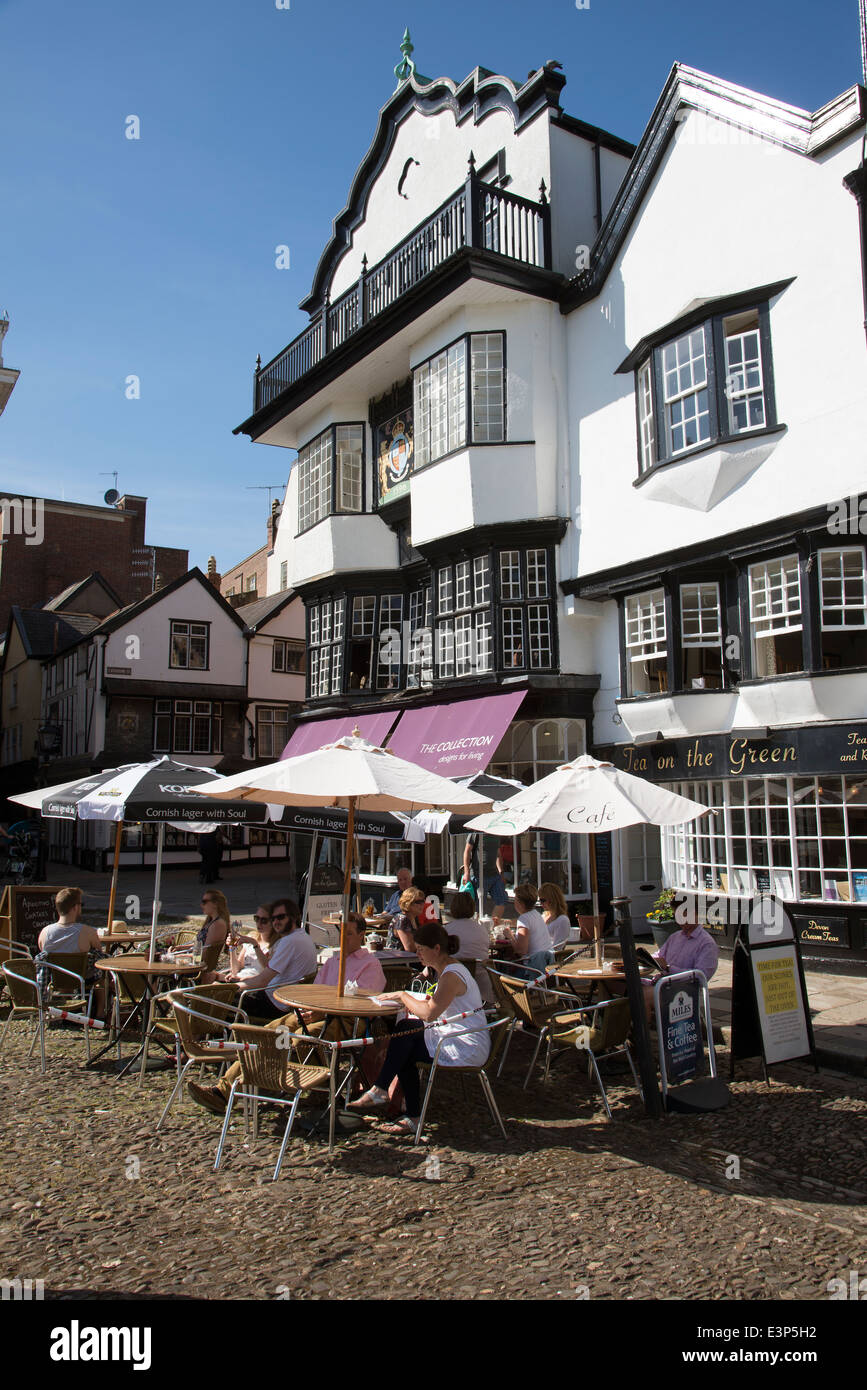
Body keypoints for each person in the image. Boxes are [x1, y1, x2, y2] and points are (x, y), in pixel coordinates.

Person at [187, 911, 384, 1114]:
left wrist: (322, 1014)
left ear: (362, 934)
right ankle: (224, 1090)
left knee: (302, 1039)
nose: (343, 938)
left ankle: (321, 1091)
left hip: (348, 1020)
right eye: (341, 933)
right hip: (314, 1013)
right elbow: (314, 990)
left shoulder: (370, 964)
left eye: (349, 934)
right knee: (268, 1033)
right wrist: (306, 1007)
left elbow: (363, 1003)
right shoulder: (333, 962)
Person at [347, 921, 490, 1136]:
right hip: (454, 1034)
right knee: (406, 1037)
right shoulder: (449, 970)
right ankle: (388, 1095)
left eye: (421, 949)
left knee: (405, 1040)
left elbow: (429, 1013)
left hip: (464, 1045)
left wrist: (403, 995)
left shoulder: (451, 975)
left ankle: (390, 1097)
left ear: (437, 949)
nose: (418, 954)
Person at [226, 897, 317, 1019]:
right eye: (273, 918)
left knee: (217, 999)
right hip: (281, 999)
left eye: (281, 917)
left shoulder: (289, 941)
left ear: (294, 917)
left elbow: (262, 981)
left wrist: (231, 988)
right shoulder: (303, 936)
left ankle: (220, 1035)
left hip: (274, 1004)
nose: (276, 922)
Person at [37, 886, 106, 1018]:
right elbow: (99, 952)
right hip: (82, 979)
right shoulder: (87, 932)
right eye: (81, 904)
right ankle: (100, 1013)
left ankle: (65, 1009)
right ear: (75, 907)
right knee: (100, 977)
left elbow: (43, 952)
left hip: (57, 979)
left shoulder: (45, 932)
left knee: (61, 969)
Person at [642, 914, 720, 1019]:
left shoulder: (707, 943)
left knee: (641, 994)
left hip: (682, 992)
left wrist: (669, 968)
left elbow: (700, 977)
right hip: (662, 984)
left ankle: (641, 1033)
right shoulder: (675, 936)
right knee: (620, 984)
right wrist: (643, 959)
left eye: (686, 915)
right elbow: (659, 956)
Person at [502, 882, 553, 975]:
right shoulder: (536, 914)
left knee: (500, 967)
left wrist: (509, 936)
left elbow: (521, 951)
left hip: (531, 969)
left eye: (515, 900)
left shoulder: (524, 918)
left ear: (520, 903)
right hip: (546, 965)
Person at [220, 905, 273, 982]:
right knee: (210, 976)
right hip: (239, 980)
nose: (259, 923)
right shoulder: (251, 937)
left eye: (264, 920)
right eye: (257, 919)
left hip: (254, 985)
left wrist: (255, 945)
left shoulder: (276, 944)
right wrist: (232, 948)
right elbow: (236, 970)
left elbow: (268, 972)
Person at [191, 889, 231, 983]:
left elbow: (205, 954)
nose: (202, 905)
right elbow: (200, 945)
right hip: (195, 963)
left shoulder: (218, 924)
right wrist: (181, 948)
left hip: (198, 969)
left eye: (204, 902)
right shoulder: (211, 922)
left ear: (215, 904)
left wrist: (182, 956)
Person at [392, 886, 426, 951]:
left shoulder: (414, 917)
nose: (422, 904)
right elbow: (410, 948)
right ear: (408, 903)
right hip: (399, 958)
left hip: (414, 957)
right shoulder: (402, 919)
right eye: (418, 902)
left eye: (423, 901)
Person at [539, 883, 571, 948]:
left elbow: (558, 947)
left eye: (543, 900)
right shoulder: (543, 916)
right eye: (540, 900)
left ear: (552, 900)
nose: (541, 903)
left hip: (547, 956)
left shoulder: (562, 920)